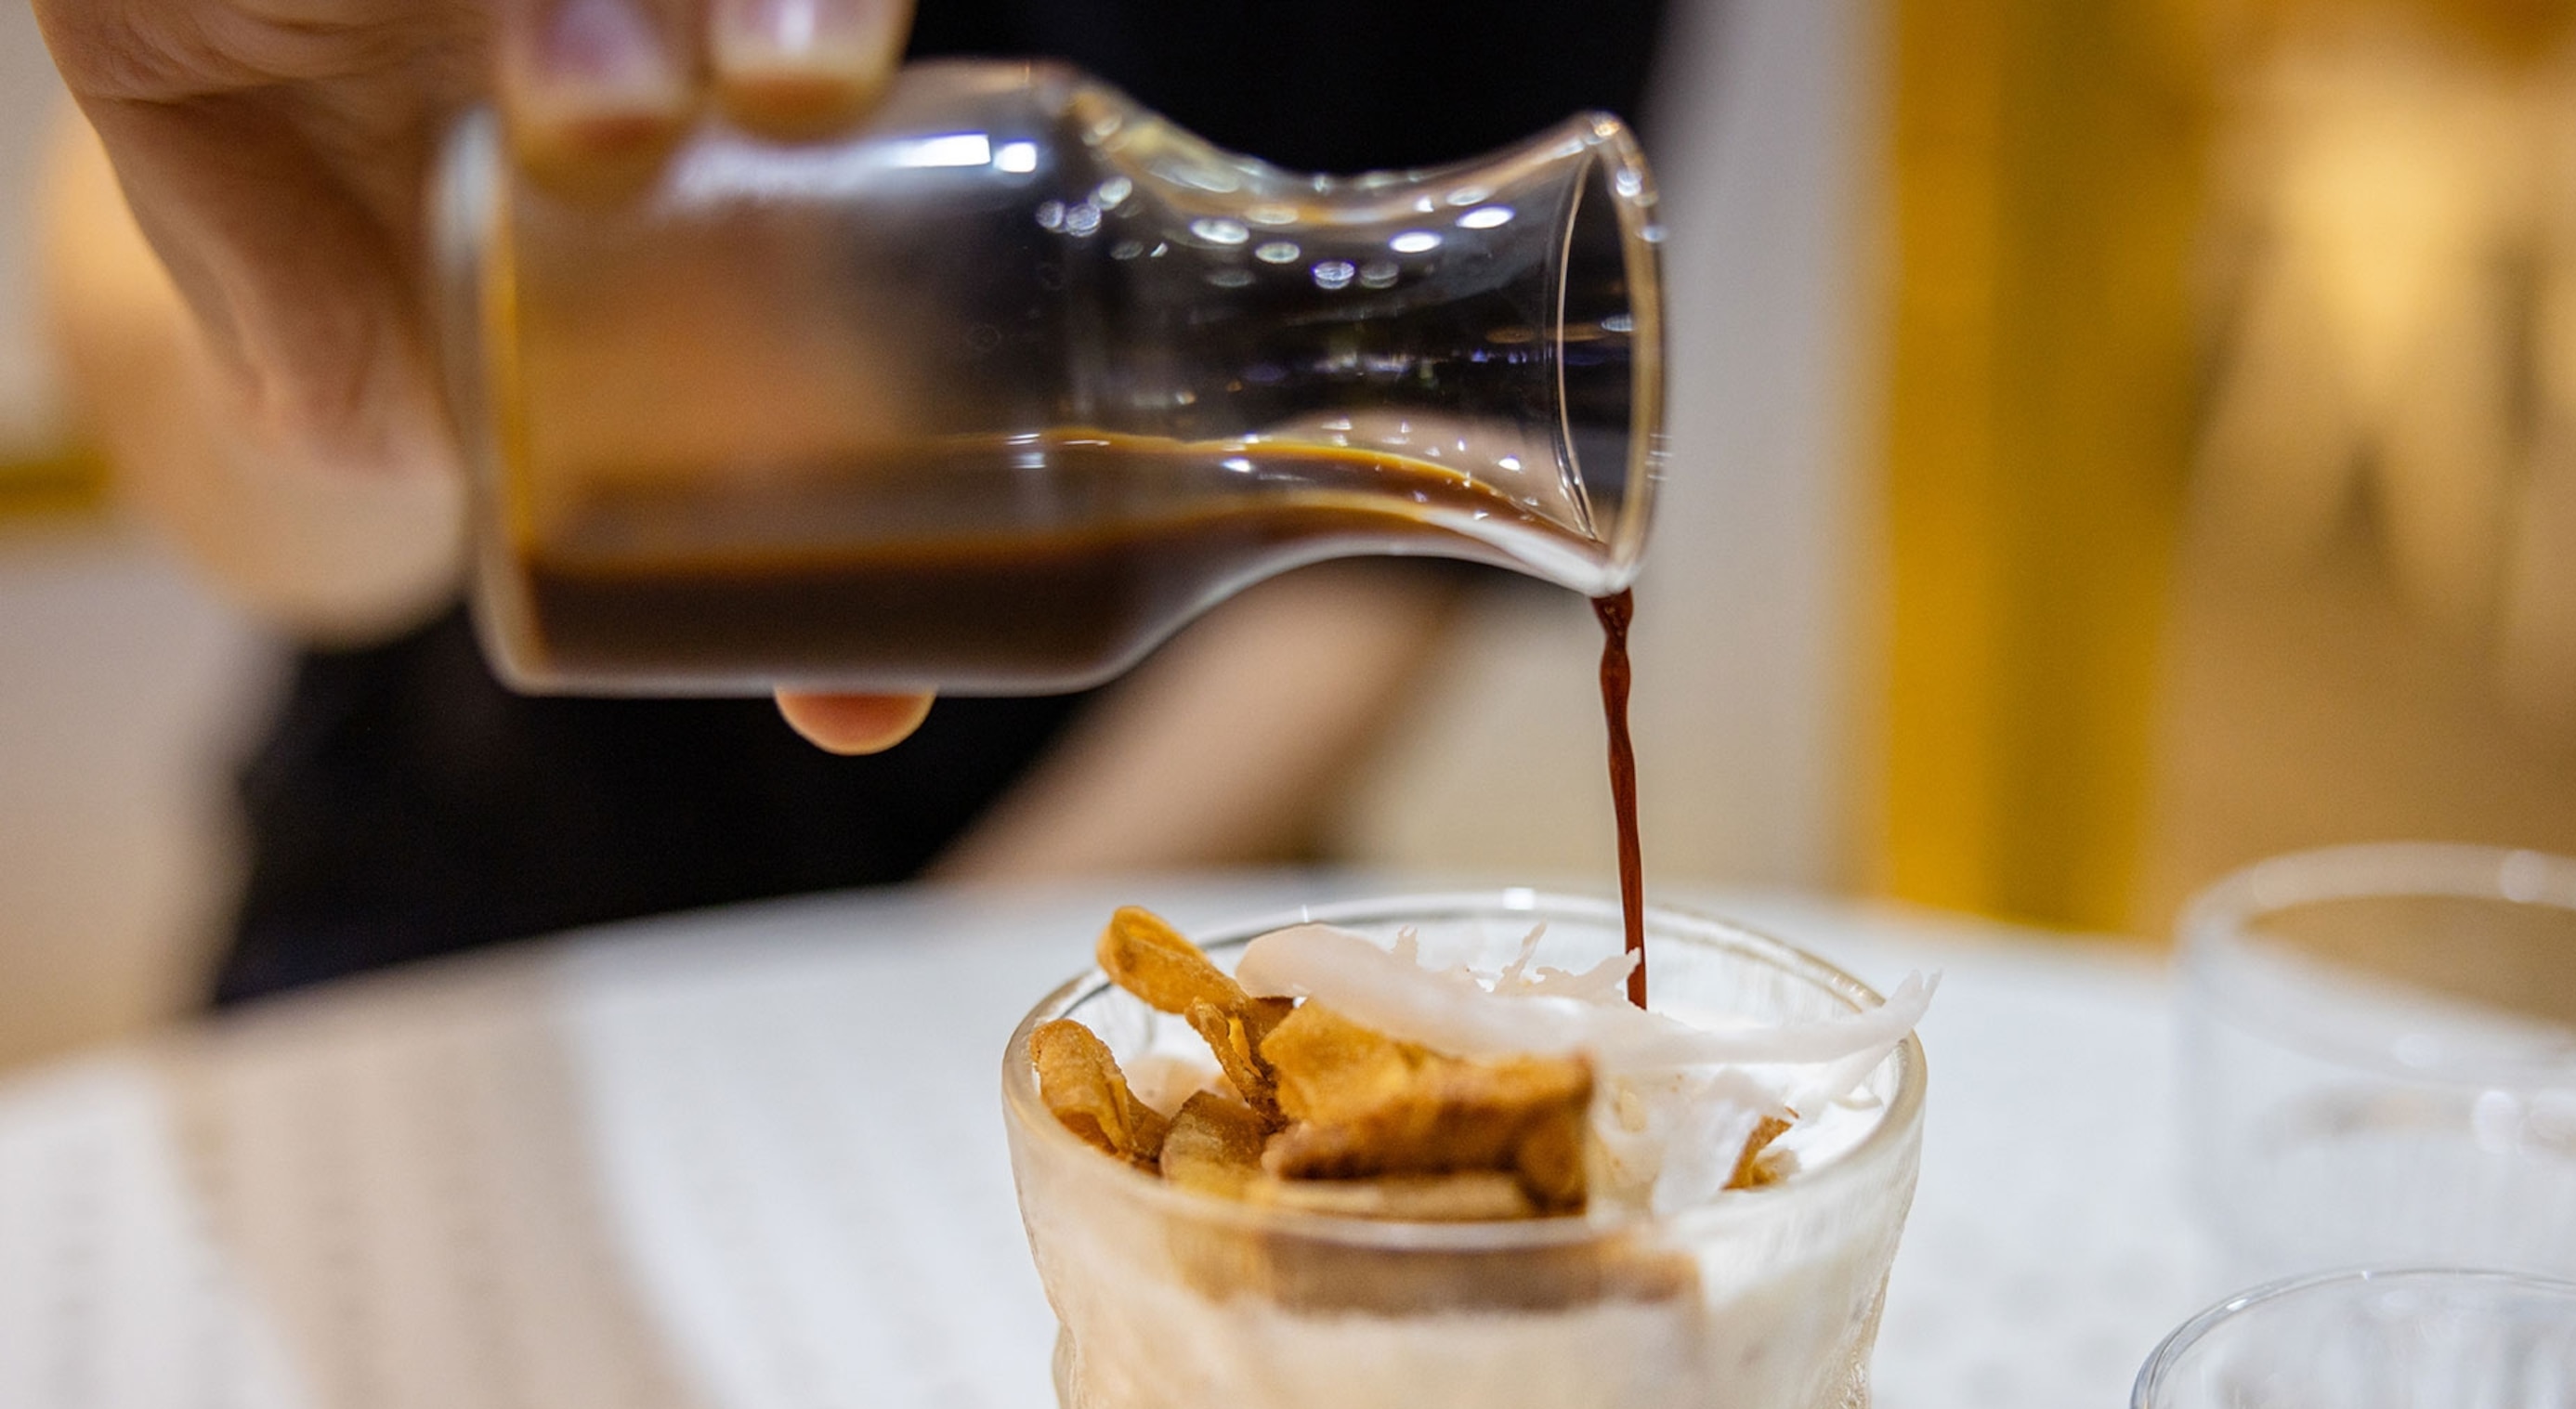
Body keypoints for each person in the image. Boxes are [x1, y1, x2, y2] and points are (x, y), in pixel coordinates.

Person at [34, 0, 1670, 1000]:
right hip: (465, 925)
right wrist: (384, 335)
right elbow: (213, 391)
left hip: (1104, 913)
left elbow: (1395, 542)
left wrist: (919, 1008)